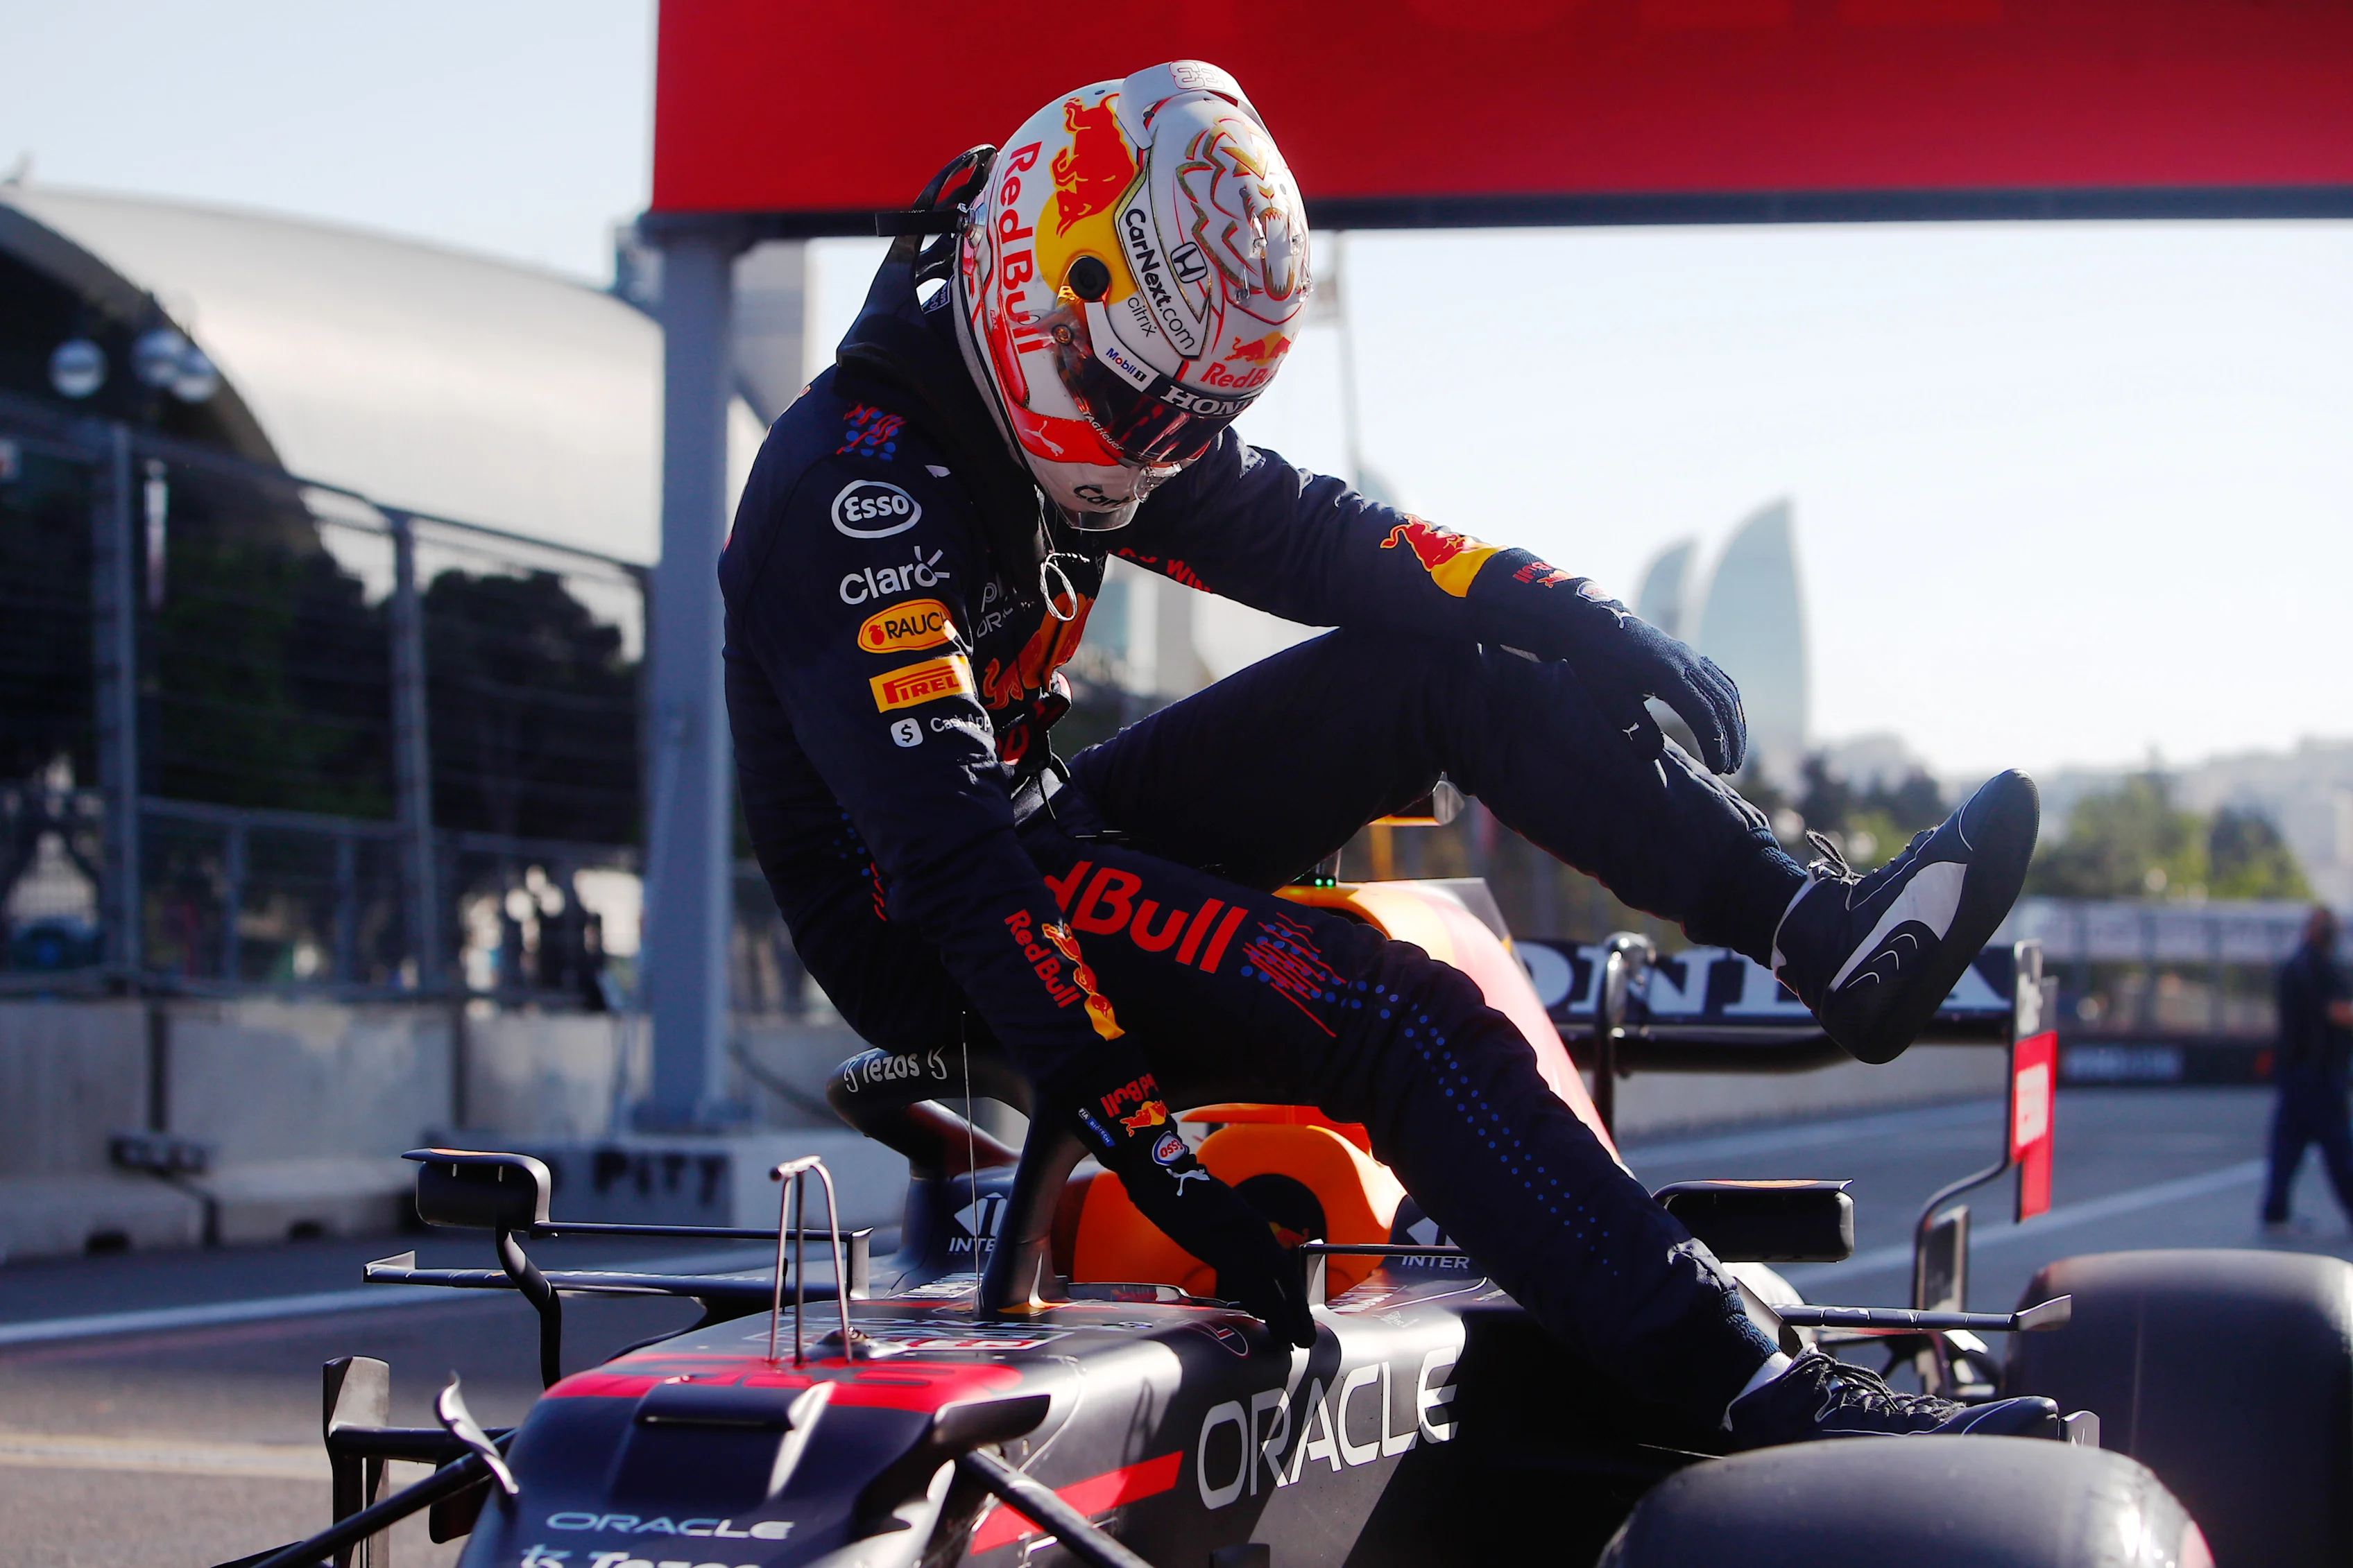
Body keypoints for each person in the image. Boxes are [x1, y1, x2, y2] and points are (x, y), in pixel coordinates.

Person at [720, 60, 2056, 1446]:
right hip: (931, 920)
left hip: (1035, 832)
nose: (1154, 453)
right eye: (1141, 416)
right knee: (1394, 1007)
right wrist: (1157, 1154)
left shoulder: (1092, 370)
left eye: (1190, 424)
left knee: (1448, 674)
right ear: (1045, 281)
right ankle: (1760, 1393)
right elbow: (955, 863)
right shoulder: (856, 495)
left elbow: (1314, 538)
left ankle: (1811, 927)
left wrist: (1570, 609)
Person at [2259, 905, 2353, 1231]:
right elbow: (2338, 1011)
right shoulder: (2314, 966)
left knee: (2287, 1147)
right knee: (2339, 1148)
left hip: (2300, 1071)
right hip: (2318, 1073)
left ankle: (2275, 1212)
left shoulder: (2302, 965)